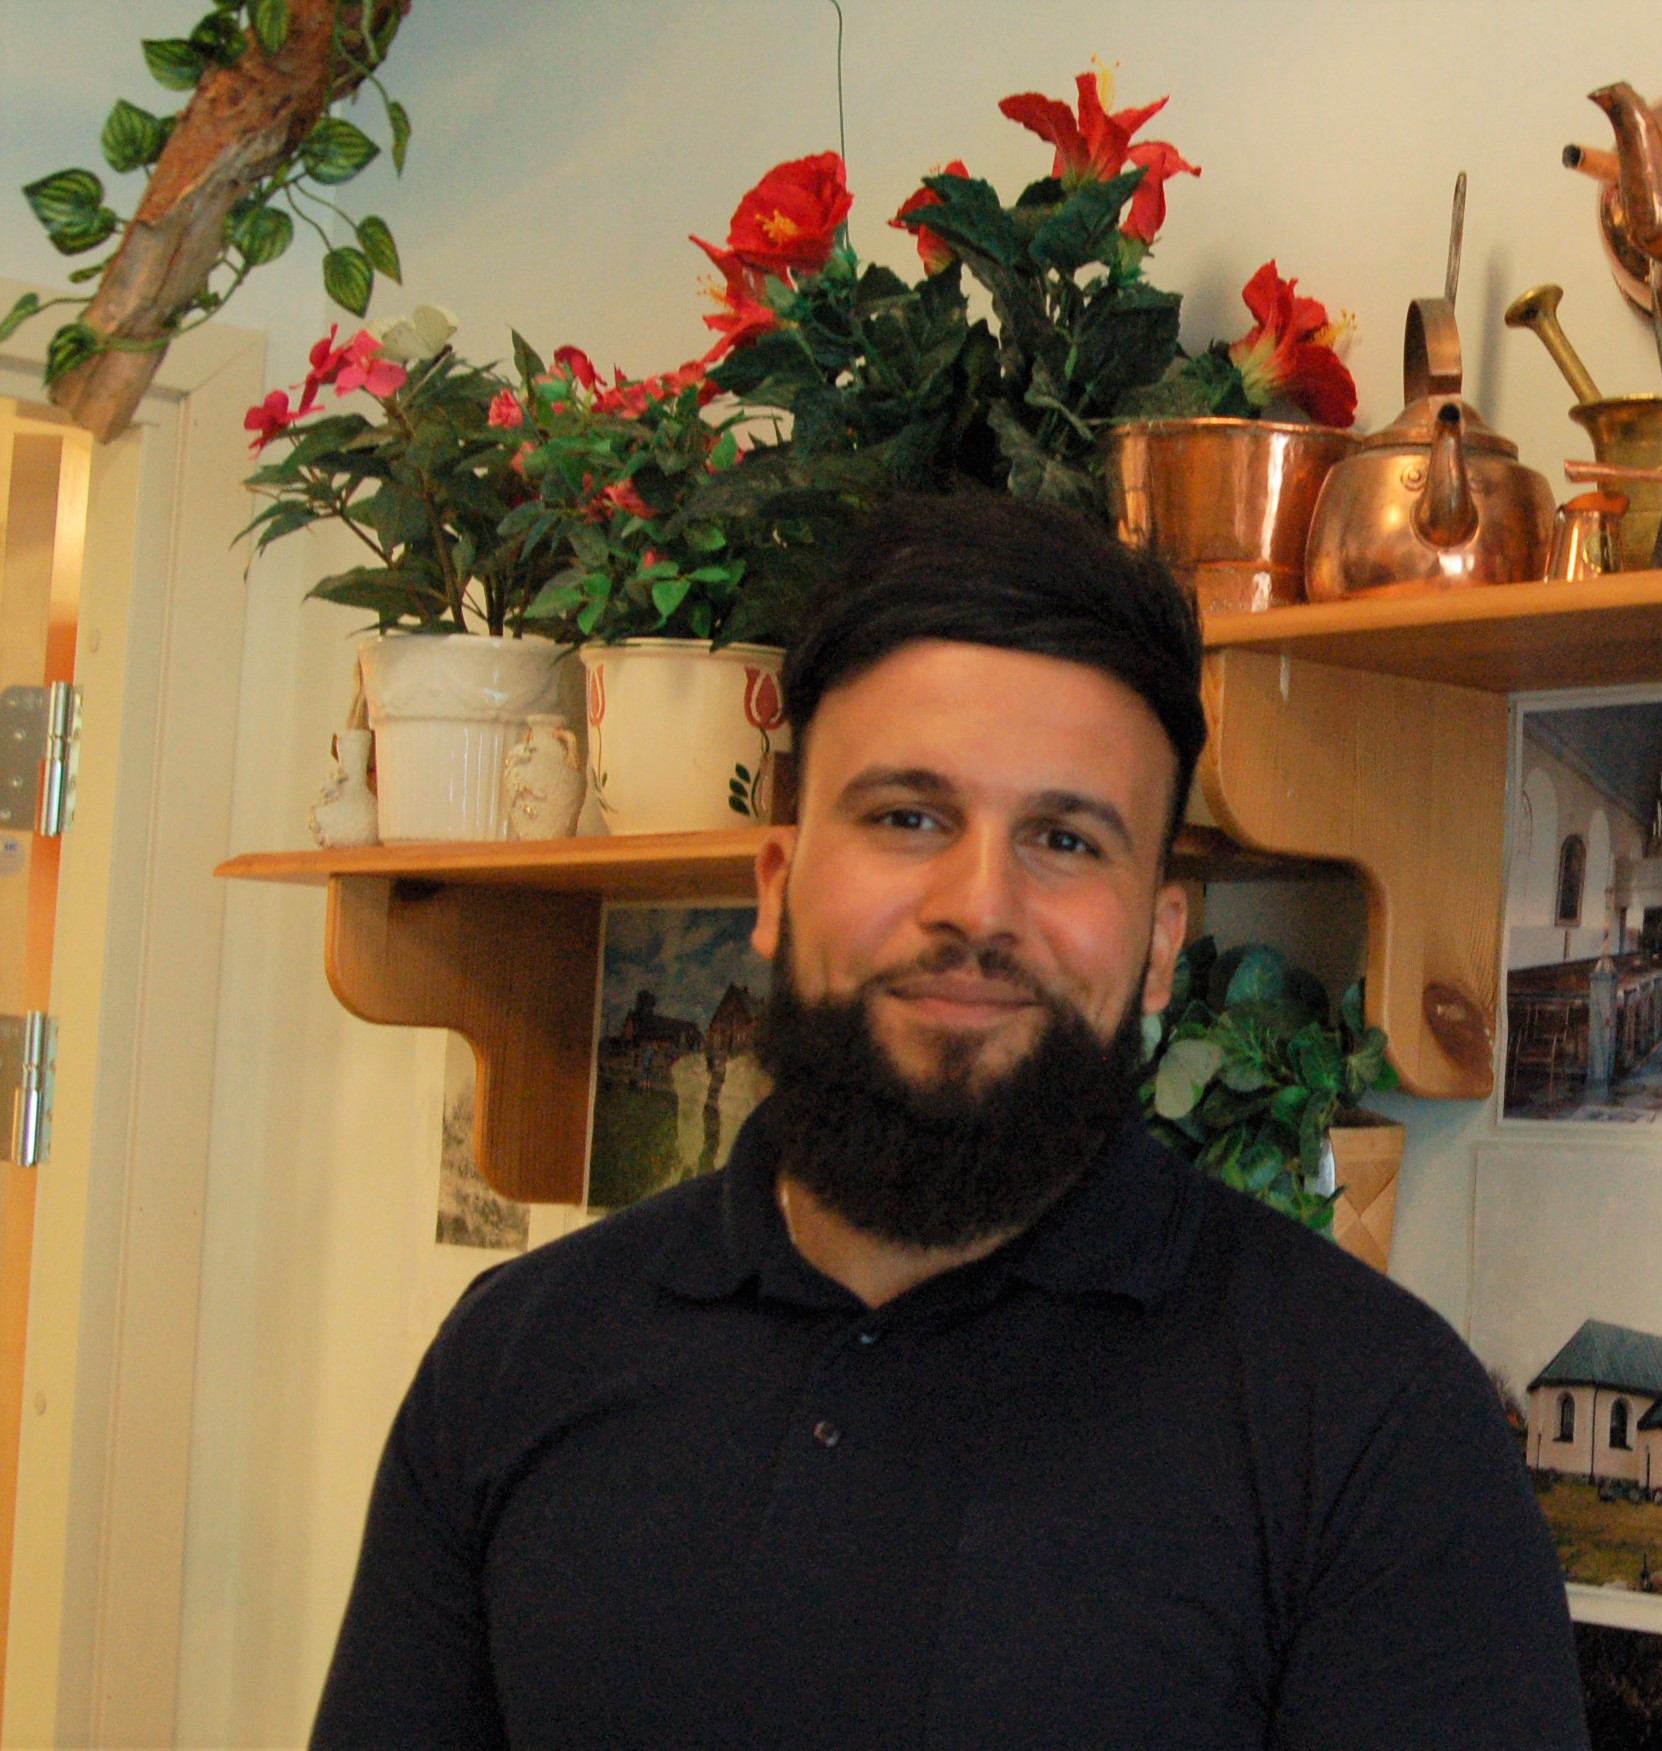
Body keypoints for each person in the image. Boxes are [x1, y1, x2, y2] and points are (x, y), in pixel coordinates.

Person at [311, 495, 1589, 1749]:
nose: (978, 905)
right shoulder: (517, 1355)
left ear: (1158, 945)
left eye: (1065, 839)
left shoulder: (1374, 1423)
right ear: (778, 884)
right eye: (906, 817)